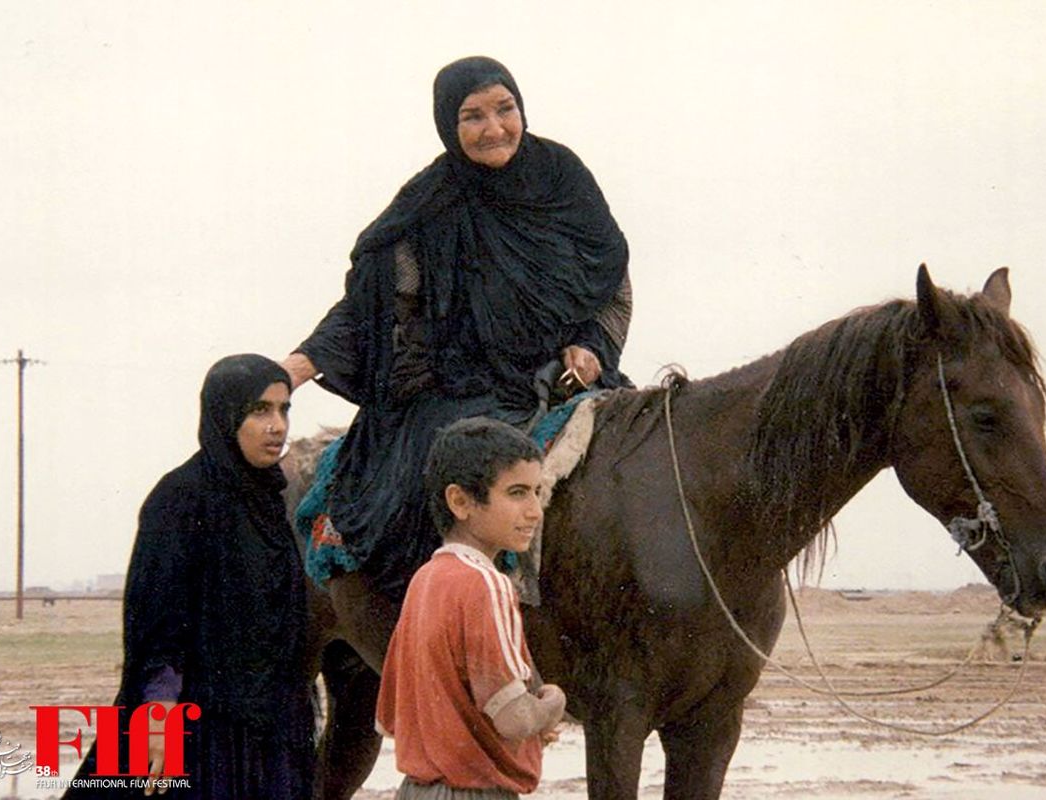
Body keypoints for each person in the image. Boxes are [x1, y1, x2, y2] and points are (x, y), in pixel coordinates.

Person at [282, 55, 632, 610]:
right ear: (449, 123)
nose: (494, 128)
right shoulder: (430, 202)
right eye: (473, 116)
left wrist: (591, 345)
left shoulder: (563, 177)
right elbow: (372, 305)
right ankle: (428, 618)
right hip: (460, 384)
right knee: (432, 484)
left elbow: (607, 276)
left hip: (562, 376)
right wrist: (295, 369)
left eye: (505, 108)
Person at [64, 354, 313, 799]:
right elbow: (157, 626)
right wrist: (157, 720)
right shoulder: (181, 497)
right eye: (260, 410)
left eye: (283, 409)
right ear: (225, 414)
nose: (277, 425)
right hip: (200, 725)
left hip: (269, 726)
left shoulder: (271, 503)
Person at [375, 417, 566, 799]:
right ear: (460, 501)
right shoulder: (488, 584)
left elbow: (389, 718)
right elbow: (515, 718)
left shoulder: (425, 580)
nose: (535, 511)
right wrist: (552, 704)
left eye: (536, 492)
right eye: (517, 493)